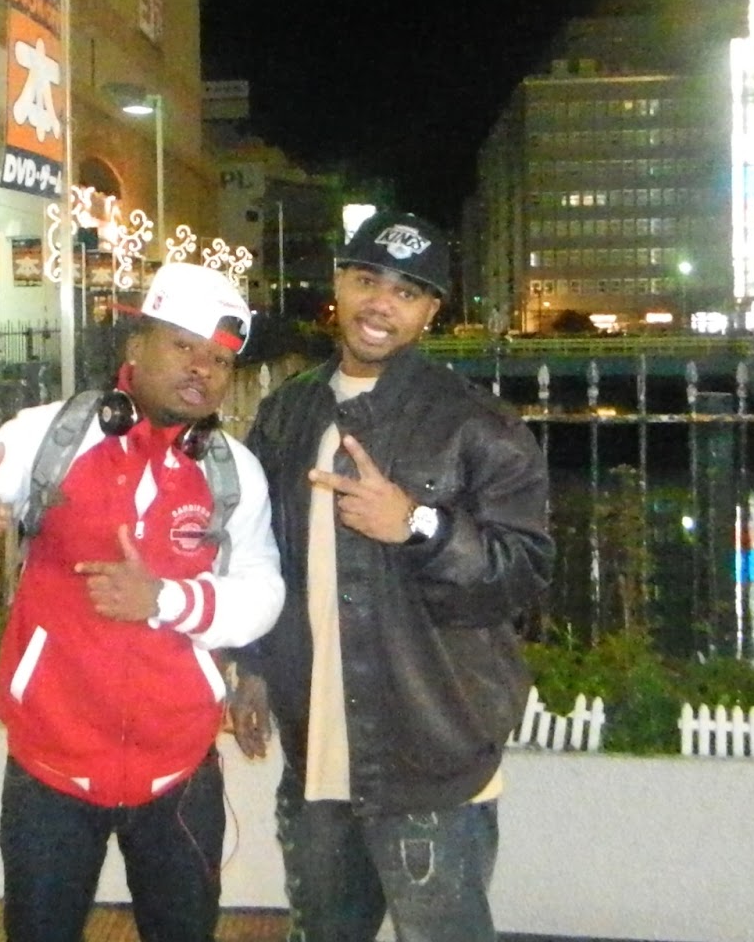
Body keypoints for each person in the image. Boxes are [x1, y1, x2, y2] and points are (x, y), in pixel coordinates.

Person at [0, 262, 284, 942]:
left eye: (219, 359)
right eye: (183, 346)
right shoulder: (50, 434)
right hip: (50, 767)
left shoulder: (234, 472)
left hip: (180, 770)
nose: (202, 369)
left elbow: (262, 592)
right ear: (136, 347)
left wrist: (166, 599)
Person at [228, 209, 553, 942]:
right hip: (315, 754)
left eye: (406, 292)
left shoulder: (476, 423)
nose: (380, 304)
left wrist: (418, 526)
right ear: (339, 283)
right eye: (367, 280)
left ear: (431, 310)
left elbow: (523, 573)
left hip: (429, 756)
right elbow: (260, 553)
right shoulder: (287, 411)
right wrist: (252, 665)